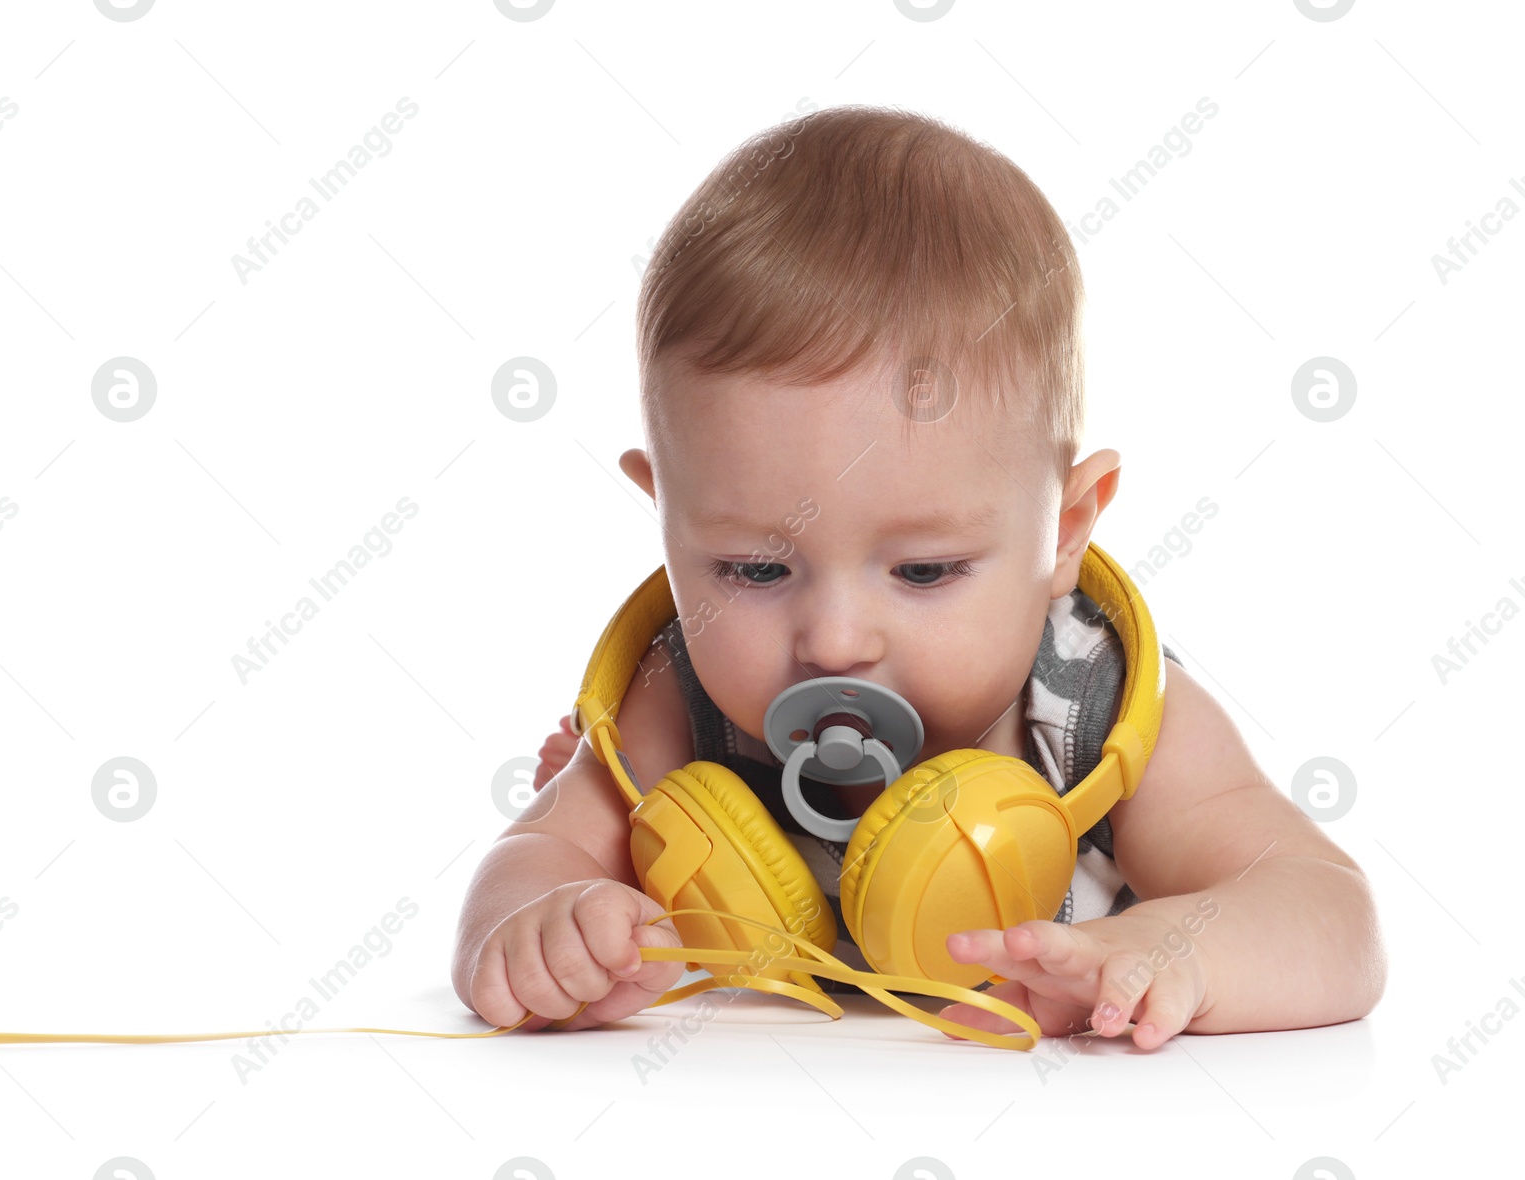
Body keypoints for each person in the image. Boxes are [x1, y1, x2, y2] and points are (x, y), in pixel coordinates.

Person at [452, 104, 1387, 1048]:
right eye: (755, 567)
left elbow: (1332, 917)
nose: (835, 640)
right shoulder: (679, 696)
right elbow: (535, 852)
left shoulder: (1099, 715)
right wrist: (539, 923)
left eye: (927, 569)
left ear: (1062, 531)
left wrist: (1180, 949)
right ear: (666, 522)